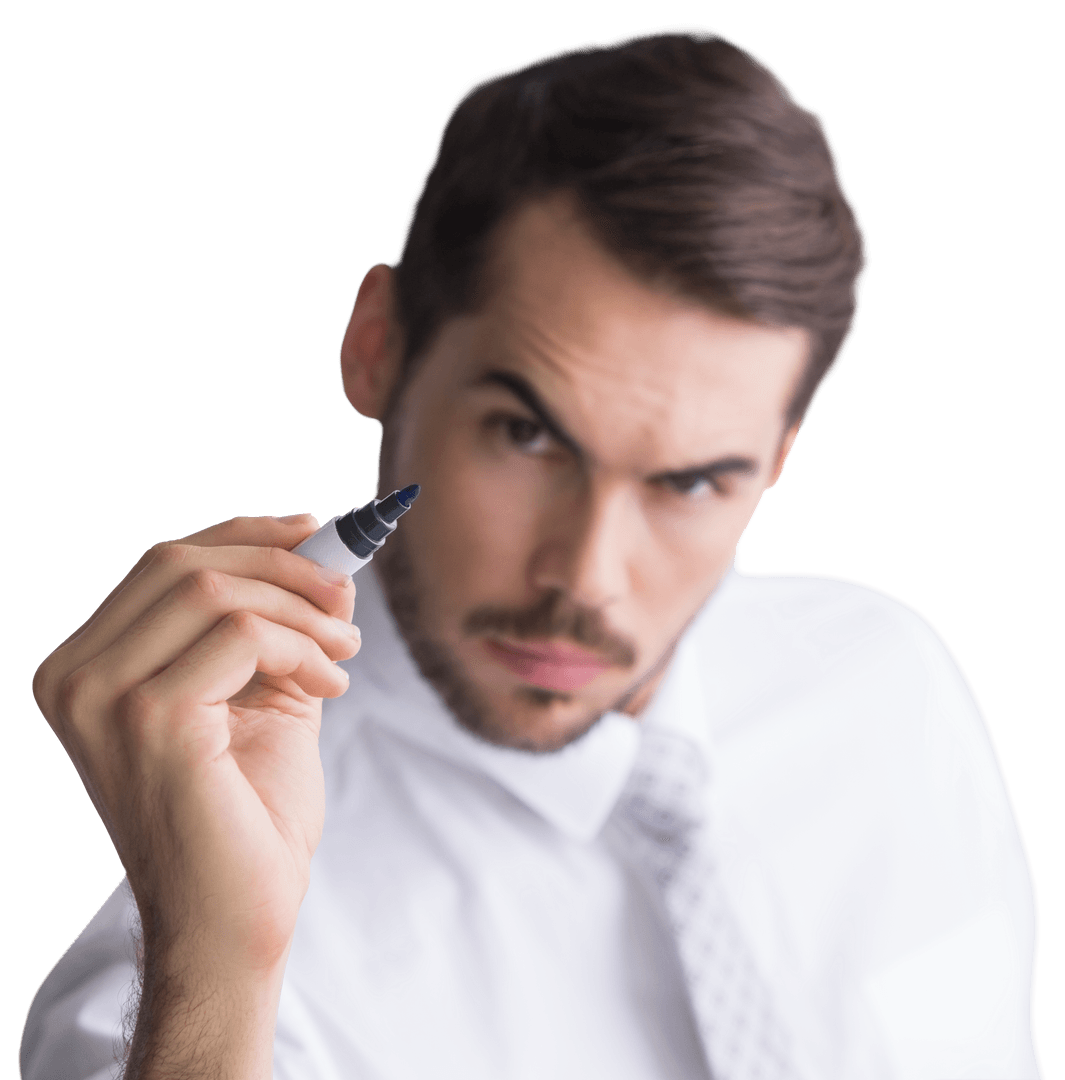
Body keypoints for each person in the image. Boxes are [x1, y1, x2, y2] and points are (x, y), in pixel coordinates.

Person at [21, 27, 1043, 1080]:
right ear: (380, 345)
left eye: (692, 481)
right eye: (526, 435)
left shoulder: (890, 677)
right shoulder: (187, 1002)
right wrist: (218, 970)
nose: (587, 575)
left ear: (779, 458)